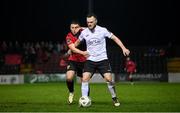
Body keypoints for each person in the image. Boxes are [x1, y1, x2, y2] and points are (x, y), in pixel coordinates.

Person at [71, 13, 130, 106]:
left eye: (91, 22)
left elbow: (114, 38)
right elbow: (77, 42)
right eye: (87, 22)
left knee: (109, 79)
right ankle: (84, 100)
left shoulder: (103, 30)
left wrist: (124, 48)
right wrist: (72, 48)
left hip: (102, 60)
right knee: (85, 78)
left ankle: (114, 97)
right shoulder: (84, 32)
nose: (89, 24)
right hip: (90, 60)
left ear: (95, 21)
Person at [65, 20, 88, 104]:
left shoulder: (84, 32)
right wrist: (83, 53)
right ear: (70, 28)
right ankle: (71, 92)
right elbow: (73, 49)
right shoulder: (68, 36)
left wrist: (82, 28)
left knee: (84, 80)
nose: (74, 29)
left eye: (76, 27)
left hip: (84, 61)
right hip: (73, 60)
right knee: (69, 78)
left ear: (79, 27)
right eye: (72, 27)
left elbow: (95, 28)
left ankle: (85, 98)